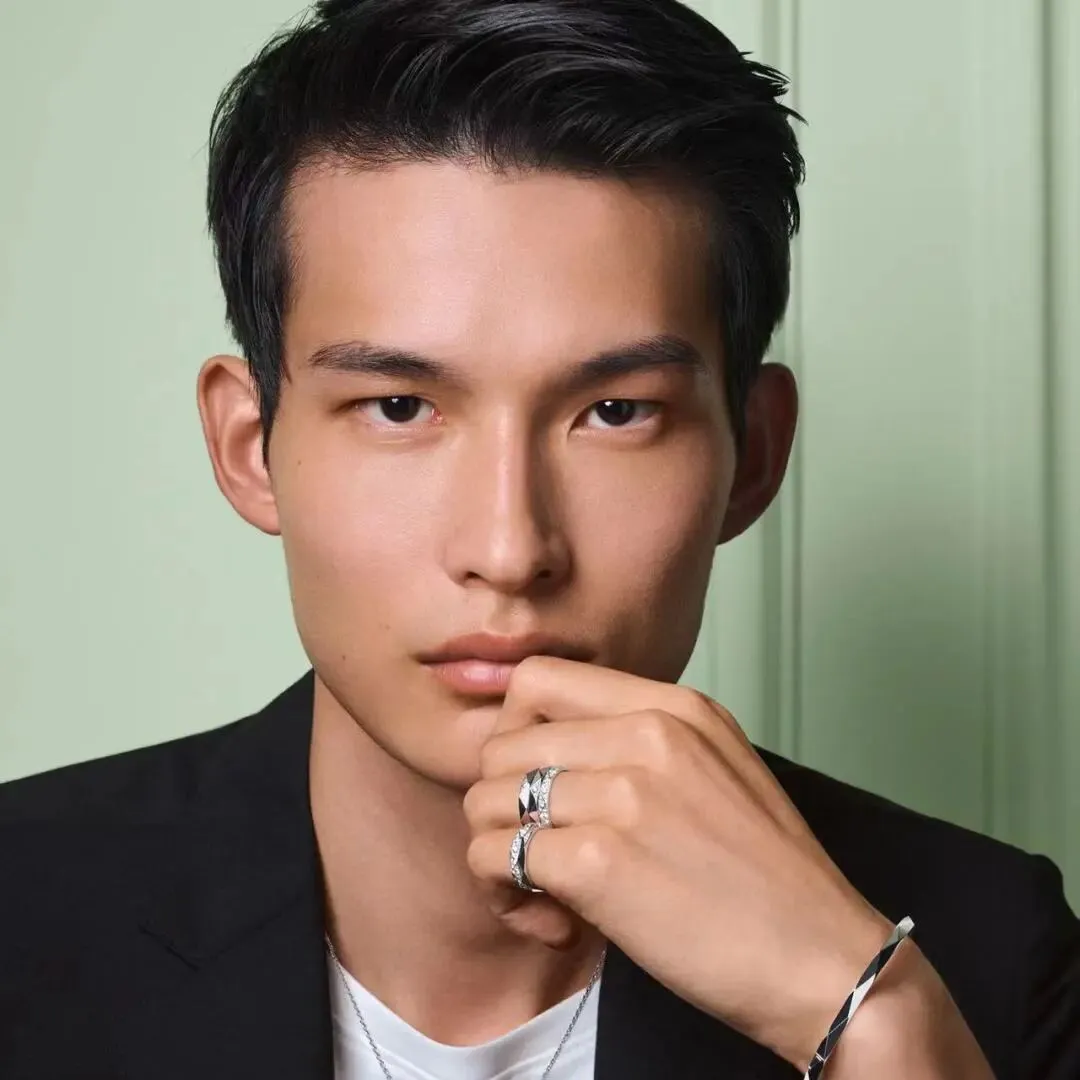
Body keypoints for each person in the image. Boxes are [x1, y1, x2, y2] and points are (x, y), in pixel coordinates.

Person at [1, 0, 1077, 1077]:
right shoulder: (24, 909)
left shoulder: (993, 956)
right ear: (250, 447)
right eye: (399, 407)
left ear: (752, 457)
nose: (511, 549)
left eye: (615, 413)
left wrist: (869, 1016)